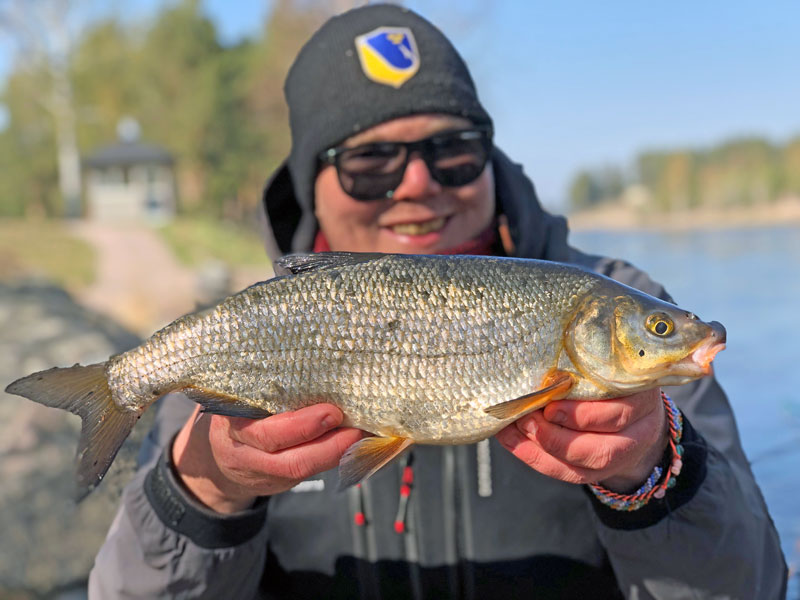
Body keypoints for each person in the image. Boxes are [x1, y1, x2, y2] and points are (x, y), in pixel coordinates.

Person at [89, 5, 787, 599]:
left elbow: (755, 582)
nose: (418, 183)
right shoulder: (253, 322)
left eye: (452, 149)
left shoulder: (617, 301)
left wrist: (656, 473)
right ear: (310, 184)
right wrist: (203, 491)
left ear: (490, 157)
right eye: (370, 163)